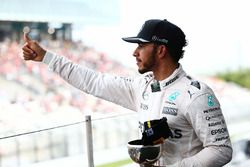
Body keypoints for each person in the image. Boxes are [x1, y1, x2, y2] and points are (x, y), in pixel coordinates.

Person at [22, 19, 232, 166]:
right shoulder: (141, 86)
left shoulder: (198, 94)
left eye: (141, 45)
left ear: (161, 50)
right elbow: (93, 81)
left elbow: (221, 150)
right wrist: (46, 57)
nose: (135, 52)